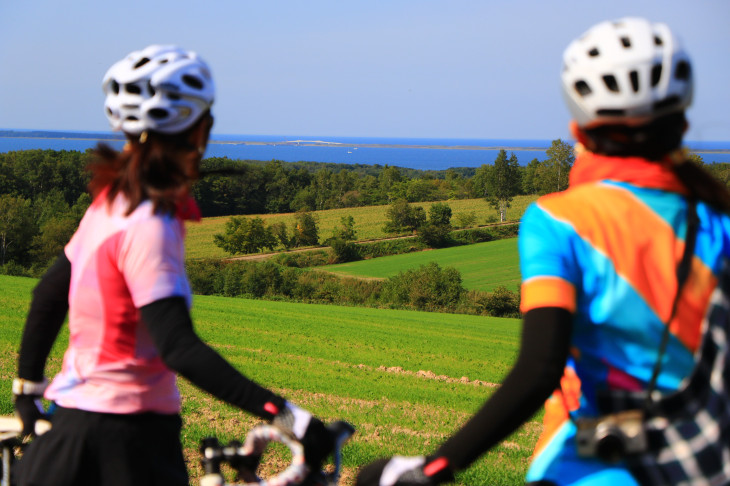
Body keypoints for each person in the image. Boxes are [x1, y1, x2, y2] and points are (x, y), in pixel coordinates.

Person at [356, 17, 730, 486]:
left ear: (579, 125)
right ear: (681, 122)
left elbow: (539, 368)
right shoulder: (718, 219)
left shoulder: (559, 220)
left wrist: (432, 469)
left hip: (590, 468)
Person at [13, 44, 334, 486]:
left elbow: (48, 293)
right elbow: (178, 347)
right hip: (130, 445)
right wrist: (289, 417)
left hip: (65, 438)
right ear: (199, 128)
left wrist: (28, 387)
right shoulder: (150, 224)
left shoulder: (109, 206)